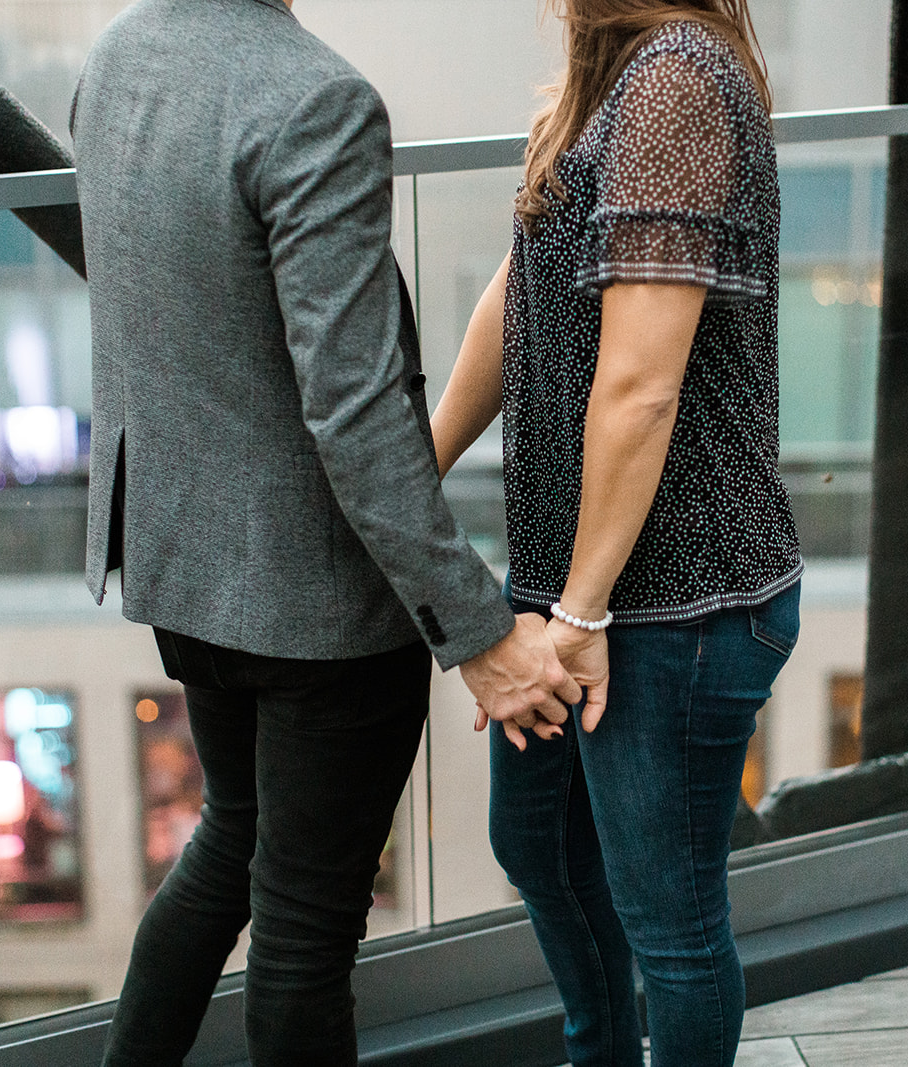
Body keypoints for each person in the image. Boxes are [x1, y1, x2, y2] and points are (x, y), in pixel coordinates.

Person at [70, 0, 579, 1063]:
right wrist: (479, 633)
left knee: (229, 841)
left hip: (183, 568)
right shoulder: (317, 101)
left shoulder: (122, 53)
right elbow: (352, 412)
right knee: (303, 932)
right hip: (315, 603)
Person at [429, 1, 801, 1064]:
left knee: (671, 925)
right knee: (537, 843)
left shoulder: (677, 80)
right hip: (575, 586)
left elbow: (639, 387)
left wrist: (580, 611)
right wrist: (422, 460)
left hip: (676, 597)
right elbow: (522, 293)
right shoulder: (612, 78)